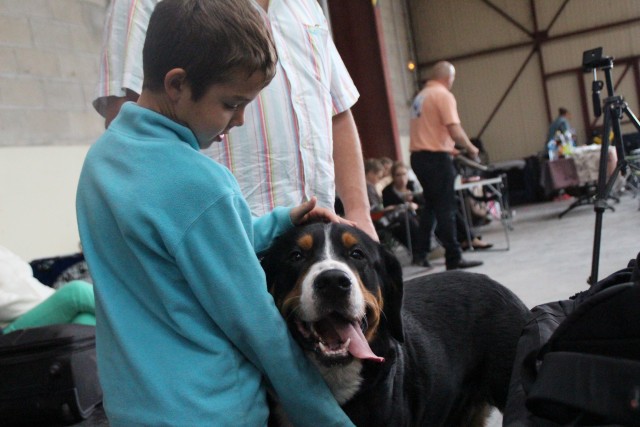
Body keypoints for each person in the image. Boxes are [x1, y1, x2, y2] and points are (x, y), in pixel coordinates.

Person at [76, 1, 354, 425]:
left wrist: (277, 223)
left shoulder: (101, 163)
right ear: (177, 85)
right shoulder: (202, 183)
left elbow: (173, 248)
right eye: (231, 103)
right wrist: (326, 417)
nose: (240, 120)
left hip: (133, 407)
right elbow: (256, 325)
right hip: (213, 410)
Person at [93, 0, 377, 242]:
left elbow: (336, 110)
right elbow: (129, 127)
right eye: (231, 105)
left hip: (314, 239)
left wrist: (359, 213)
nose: (239, 118)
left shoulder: (304, 5)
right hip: (216, 241)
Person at [409, 61, 483, 270]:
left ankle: (420, 253)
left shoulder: (421, 96)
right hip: (435, 160)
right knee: (446, 207)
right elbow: (454, 129)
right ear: (448, 78)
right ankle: (454, 256)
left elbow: (429, 131)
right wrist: (471, 147)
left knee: (431, 207)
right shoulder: (442, 95)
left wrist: (449, 148)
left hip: (419, 158)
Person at [0, 245, 95, 334]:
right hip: (12, 326)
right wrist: (49, 303)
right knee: (76, 292)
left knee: (86, 319)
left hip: (42, 306)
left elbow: (26, 281)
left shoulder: (3, 250)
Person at [365, 159, 428, 267]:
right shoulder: (383, 190)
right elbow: (378, 209)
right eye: (398, 175)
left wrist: (414, 204)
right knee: (403, 223)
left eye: (404, 174)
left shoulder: (413, 186)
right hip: (391, 219)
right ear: (393, 177)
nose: (402, 178)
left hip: (413, 216)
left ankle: (420, 253)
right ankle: (419, 253)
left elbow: (425, 204)